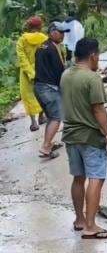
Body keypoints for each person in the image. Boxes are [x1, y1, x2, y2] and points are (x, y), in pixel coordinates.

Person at [61, 38, 107, 239]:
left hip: (70, 135)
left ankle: (79, 220)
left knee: (78, 178)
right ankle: (91, 226)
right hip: (90, 137)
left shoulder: (65, 74)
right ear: (93, 55)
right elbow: (98, 109)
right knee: (96, 177)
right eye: (98, 56)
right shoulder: (92, 78)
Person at [34, 22, 69, 159]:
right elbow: (59, 71)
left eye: (63, 32)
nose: (63, 35)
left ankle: (49, 143)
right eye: (61, 32)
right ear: (53, 32)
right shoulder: (52, 49)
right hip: (48, 88)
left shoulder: (42, 47)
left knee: (51, 116)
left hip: (38, 87)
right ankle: (46, 147)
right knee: (56, 117)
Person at [16, 16, 47, 132]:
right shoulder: (44, 38)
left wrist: (30, 72)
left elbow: (22, 58)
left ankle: (33, 122)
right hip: (42, 70)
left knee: (28, 96)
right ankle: (41, 117)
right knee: (42, 94)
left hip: (25, 73)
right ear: (39, 26)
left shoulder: (22, 40)